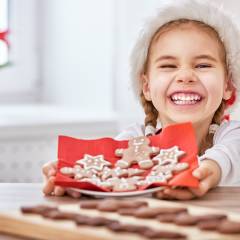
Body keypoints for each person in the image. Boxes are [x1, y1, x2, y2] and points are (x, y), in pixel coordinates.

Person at [42, 0, 240, 199]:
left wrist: (208, 170)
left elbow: (227, 156)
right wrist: (76, 173)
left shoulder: (232, 136)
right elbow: (109, 163)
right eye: (168, 66)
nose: (185, 75)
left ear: (228, 86)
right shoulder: (135, 139)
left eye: (203, 65)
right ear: (146, 87)